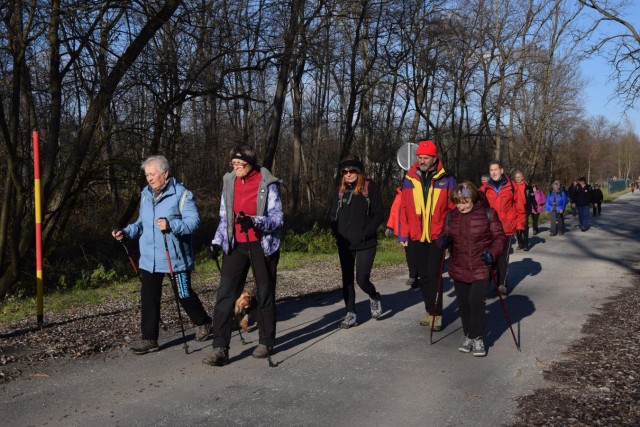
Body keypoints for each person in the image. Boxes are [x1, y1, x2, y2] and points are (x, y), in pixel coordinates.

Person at [111, 155, 212, 355]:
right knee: (149, 297)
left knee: (183, 294)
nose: (149, 178)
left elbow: (194, 223)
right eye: (147, 174)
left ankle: (204, 322)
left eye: (152, 174)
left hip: (176, 258)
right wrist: (126, 232)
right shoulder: (145, 195)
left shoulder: (182, 194)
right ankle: (150, 339)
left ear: (165, 173)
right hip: (150, 258)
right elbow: (141, 223)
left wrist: (172, 225)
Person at [203, 145, 283, 366]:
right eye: (234, 164)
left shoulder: (268, 183)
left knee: (265, 293)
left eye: (240, 164)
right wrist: (217, 241)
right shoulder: (229, 182)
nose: (236, 167)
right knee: (225, 293)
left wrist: (254, 220)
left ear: (250, 164)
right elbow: (223, 216)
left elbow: (277, 219)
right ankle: (220, 348)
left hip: (261, 245)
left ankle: (266, 341)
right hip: (236, 244)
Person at [439, 182, 506, 357]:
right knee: (463, 304)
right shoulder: (451, 216)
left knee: (475, 302)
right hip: (459, 266)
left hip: (481, 266)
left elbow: (499, 238)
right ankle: (468, 335)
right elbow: (444, 233)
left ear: (473, 198)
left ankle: (478, 339)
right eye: (458, 202)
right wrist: (443, 240)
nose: (461, 206)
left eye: (465, 201)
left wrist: (492, 253)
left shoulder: (488, 214)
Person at [398, 140, 456, 330]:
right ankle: (429, 309)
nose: (422, 160)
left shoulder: (446, 179)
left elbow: (453, 209)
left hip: (437, 236)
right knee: (423, 276)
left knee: (434, 275)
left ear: (434, 158)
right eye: (420, 157)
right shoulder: (409, 178)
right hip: (415, 236)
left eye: (425, 157)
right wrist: (403, 234)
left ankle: (437, 313)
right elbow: (403, 208)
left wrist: (449, 234)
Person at [330, 155, 384, 328]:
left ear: (358, 171)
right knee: (347, 280)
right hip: (345, 244)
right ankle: (350, 313)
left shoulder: (370, 187)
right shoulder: (339, 189)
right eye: (344, 171)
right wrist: (336, 233)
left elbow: (378, 214)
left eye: (351, 170)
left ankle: (374, 296)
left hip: (365, 243)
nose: (348, 174)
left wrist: (366, 233)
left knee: (361, 279)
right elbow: (332, 214)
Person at [482, 161, 521, 296]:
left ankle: (501, 284)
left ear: (502, 170)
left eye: (496, 169)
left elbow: (519, 205)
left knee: (503, 258)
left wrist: (520, 224)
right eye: (491, 170)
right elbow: (476, 202)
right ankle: (487, 282)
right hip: (490, 228)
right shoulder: (485, 188)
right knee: (490, 256)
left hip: (507, 227)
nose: (493, 172)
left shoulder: (511, 186)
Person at [386, 187, 419, 288]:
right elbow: (394, 211)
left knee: (419, 252)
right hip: (404, 230)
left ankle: (422, 274)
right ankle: (413, 276)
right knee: (409, 252)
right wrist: (390, 226)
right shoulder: (399, 196)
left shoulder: (419, 193)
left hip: (418, 228)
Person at [513, 171, 534, 251]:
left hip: (525, 209)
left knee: (525, 227)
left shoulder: (528, 186)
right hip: (515, 209)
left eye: (519, 177)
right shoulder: (512, 186)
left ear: (522, 177)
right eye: (516, 177)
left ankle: (526, 244)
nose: (518, 178)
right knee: (517, 228)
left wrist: (534, 204)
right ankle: (520, 243)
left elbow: (532, 196)